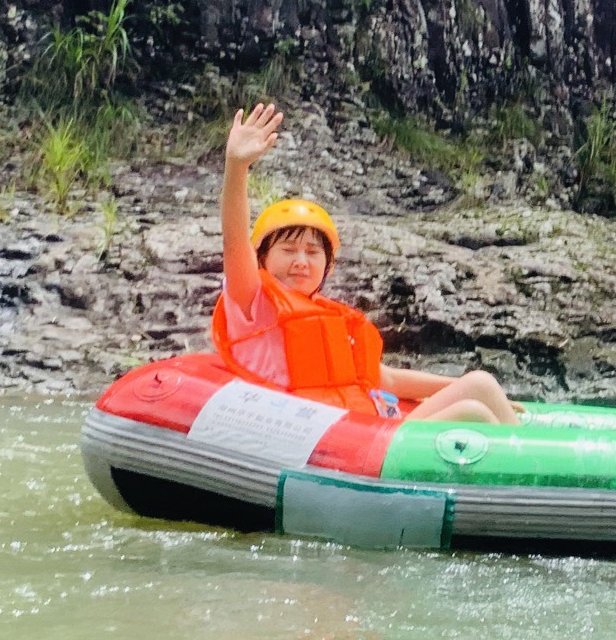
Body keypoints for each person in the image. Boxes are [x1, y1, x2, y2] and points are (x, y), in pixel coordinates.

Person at [211, 102, 520, 425]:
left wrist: (470, 388)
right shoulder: (251, 300)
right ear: (262, 257)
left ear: (328, 267)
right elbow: (234, 238)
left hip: (366, 427)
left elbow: (387, 380)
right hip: (327, 438)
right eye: (288, 250)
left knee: (481, 385)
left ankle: (530, 464)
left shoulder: (331, 317)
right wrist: (236, 167)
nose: (301, 261)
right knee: (472, 414)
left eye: (313, 252)